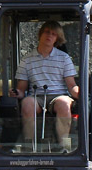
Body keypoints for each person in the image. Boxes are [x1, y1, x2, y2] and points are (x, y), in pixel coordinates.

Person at [11, 21, 79, 151]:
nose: (49, 36)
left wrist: (78, 92)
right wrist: (16, 93)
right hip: (37, 96)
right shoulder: (27, 60)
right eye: (47, 32)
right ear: (40, 34)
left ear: (57, 39)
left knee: (64, 104)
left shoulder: (64, 58)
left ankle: (64, 146)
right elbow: (21, 88)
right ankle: (29, 145)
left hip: (58, 95)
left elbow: (71, 85)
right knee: (27, 103)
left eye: (53, 34)